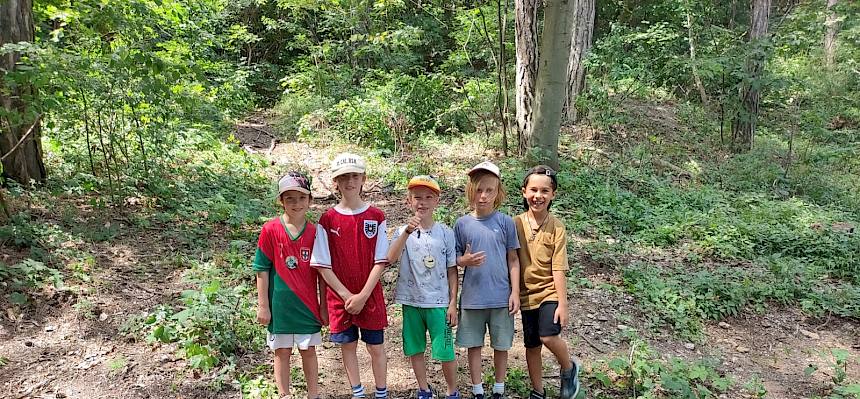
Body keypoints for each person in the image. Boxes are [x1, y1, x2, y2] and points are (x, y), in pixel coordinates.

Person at [311, 153, 390, 399]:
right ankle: (357, 392)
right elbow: (322, 264)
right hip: (340, 299)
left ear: (363, 178)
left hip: (370, 295)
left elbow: (381, 260)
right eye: (343, 177)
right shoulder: (327, 219)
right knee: (348, 345)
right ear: (335, 182)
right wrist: (348, 296)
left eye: (354, 176)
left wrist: (363, 295)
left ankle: (381, 392)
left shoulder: (376, 217)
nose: (349, 181)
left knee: (375, 346)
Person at [253, 171, 326, 399]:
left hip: (306, 306)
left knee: (308, 351)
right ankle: (284, 394)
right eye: (290, 198)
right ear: (281, 201)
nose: (296, 203)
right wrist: (263, 305)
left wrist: (324, 307)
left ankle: (313, 394)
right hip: (279, 307)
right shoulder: (271, 230)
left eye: (301, 197)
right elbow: (261, 268)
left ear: (310, 200)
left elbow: (324, 274)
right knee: (281, 351)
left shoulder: (316, 233)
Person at [388, 175, 460, 399]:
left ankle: (452, 391)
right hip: (411, 301)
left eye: (429, 197)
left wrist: (452, 303)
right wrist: (407, 232)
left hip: (439, 302)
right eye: (417, 197)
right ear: (409, 201)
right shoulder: (402, 232)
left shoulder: (446, 233)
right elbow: (390, 258)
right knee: (415, 348)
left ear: (436, 201)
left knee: (446, 351)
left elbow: (452, 269)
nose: (423, 202)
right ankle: (423, 389)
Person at [454, 161, 521, 399]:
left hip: (501, 297)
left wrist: (515, 292)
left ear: (498, 192)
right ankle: (477, 388)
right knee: (474, 344)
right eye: (478, 189)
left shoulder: (505, 222)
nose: (483, 196)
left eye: (489, 190)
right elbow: (453, 259)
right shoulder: (461, 224)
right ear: (471, 190)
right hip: (472, 298)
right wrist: (464, 261)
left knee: (501, 344)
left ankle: (499, 388)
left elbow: (513, 259)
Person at [514, 165, 580, 399]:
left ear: (553, 195)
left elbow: (558, 267)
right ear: (524, 191)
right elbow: (510, 259)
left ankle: (569, 368)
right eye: (533, 190)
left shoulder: (557, 227)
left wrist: (562, 303)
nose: (538, 196)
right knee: (532, 346)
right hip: (525, 295)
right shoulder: (515, 224)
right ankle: (538, 391)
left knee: (548, 336)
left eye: (544, 191)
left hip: (549, 293)